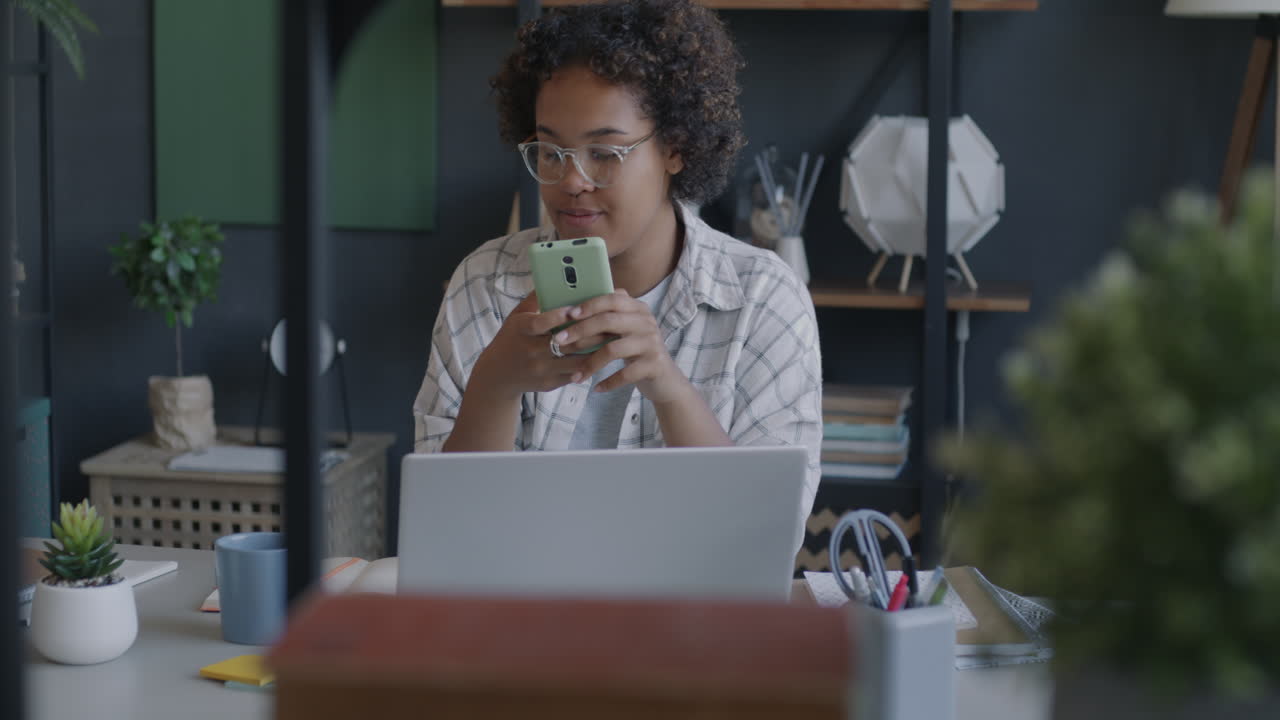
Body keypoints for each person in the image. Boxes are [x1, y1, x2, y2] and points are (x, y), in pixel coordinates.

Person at [412, 0, 823, 520]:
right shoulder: (483, 285)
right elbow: (445, 528)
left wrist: (670, 391)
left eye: (605, 154)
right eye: (550, 152)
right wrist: (495, 384)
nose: (571, 181)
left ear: (675, 148)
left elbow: (766, 533)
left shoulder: (764, 299)